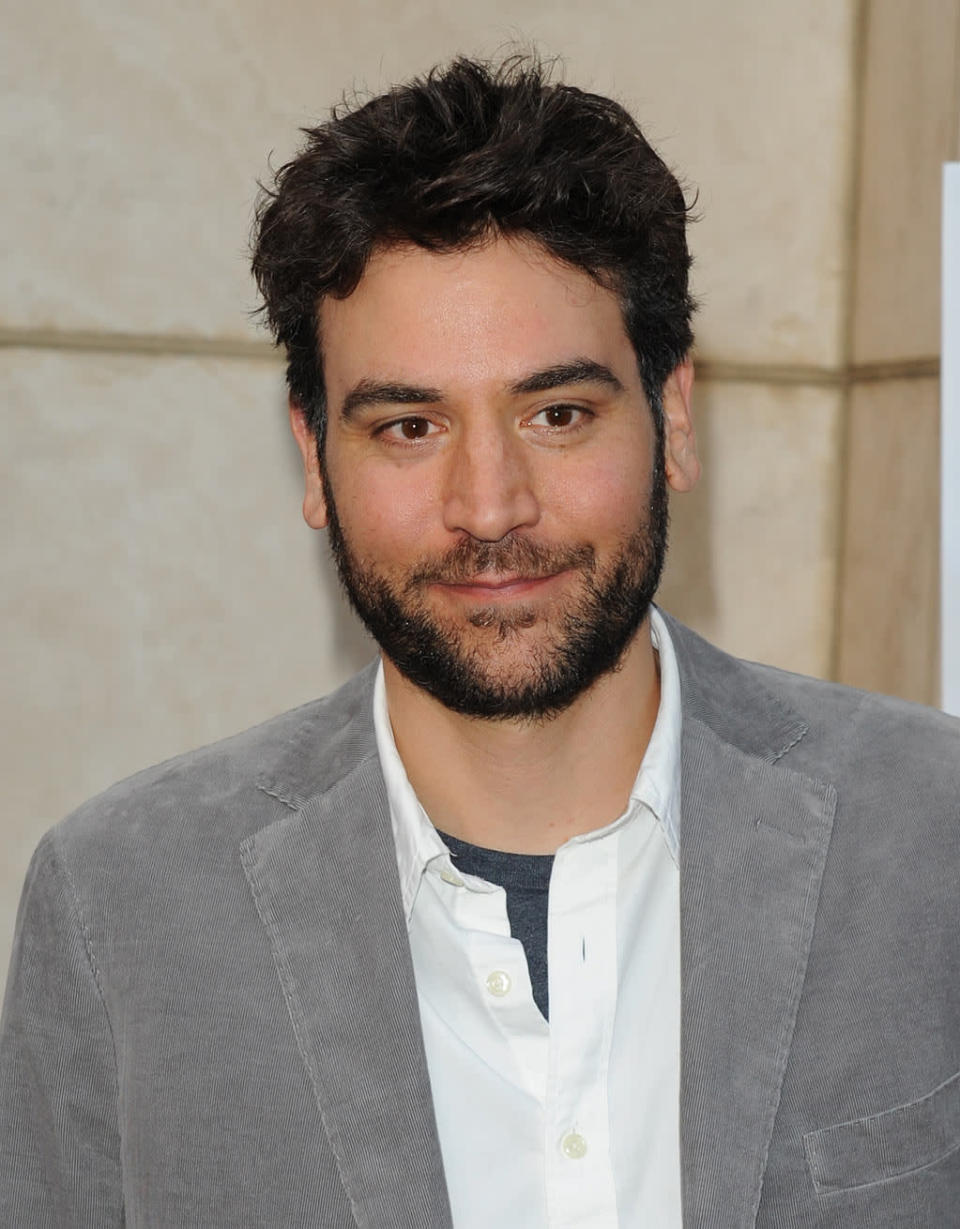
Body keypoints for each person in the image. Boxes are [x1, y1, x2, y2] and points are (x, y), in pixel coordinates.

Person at [1, 53, 958, 1229]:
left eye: (557, 413)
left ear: (674, 420)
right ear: (314, 458)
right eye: (409, 425)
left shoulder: (934, 832)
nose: (490, 505)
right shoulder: (124, 908)